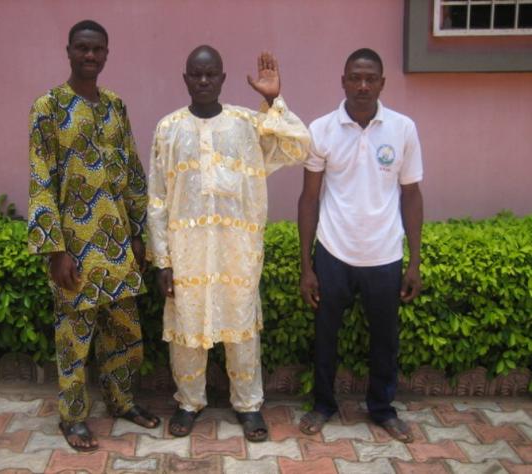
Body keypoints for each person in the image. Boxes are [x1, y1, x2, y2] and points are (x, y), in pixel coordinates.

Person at [147, 45, 310, 442]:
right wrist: (163, 260)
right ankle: (189, 402)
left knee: (241, 329)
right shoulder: (168, 128)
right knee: (186, 329)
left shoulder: (246, 124)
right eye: (196, 74)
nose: (203, 80)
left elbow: (298, 146)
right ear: (185, 79)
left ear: (222, 78)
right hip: (187, 252)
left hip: (238, 252)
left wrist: (273, 100)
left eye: (211, 74)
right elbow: (157, 199)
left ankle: (249, 405)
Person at [27, 20, 159, 452]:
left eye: (97, 49)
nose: (90, 55)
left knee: (124, 333)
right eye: (82, 48)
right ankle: (73, 418)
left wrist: (139, 232)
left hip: (117, 244)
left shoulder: (115, 106)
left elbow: (133, 172)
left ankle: (123, 402)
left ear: (106, 54)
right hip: (75, 248)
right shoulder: (48, 107)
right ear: (68, 51)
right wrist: (54, 250)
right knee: (74, 340)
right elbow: (41, 180)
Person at [297, 48, 424, 443]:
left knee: (385, 339)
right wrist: (306, 266)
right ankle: (323, 405)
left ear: (382, 83)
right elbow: (309, 198)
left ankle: (382, 409)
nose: (363, 85)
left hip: (384, 254)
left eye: (371, 79)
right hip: (333, 251)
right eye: (355, 77)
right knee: (326, 337)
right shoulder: (321, 130)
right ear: (343, 81)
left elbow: (411, 195)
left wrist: (414, 262)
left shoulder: (403, 129)